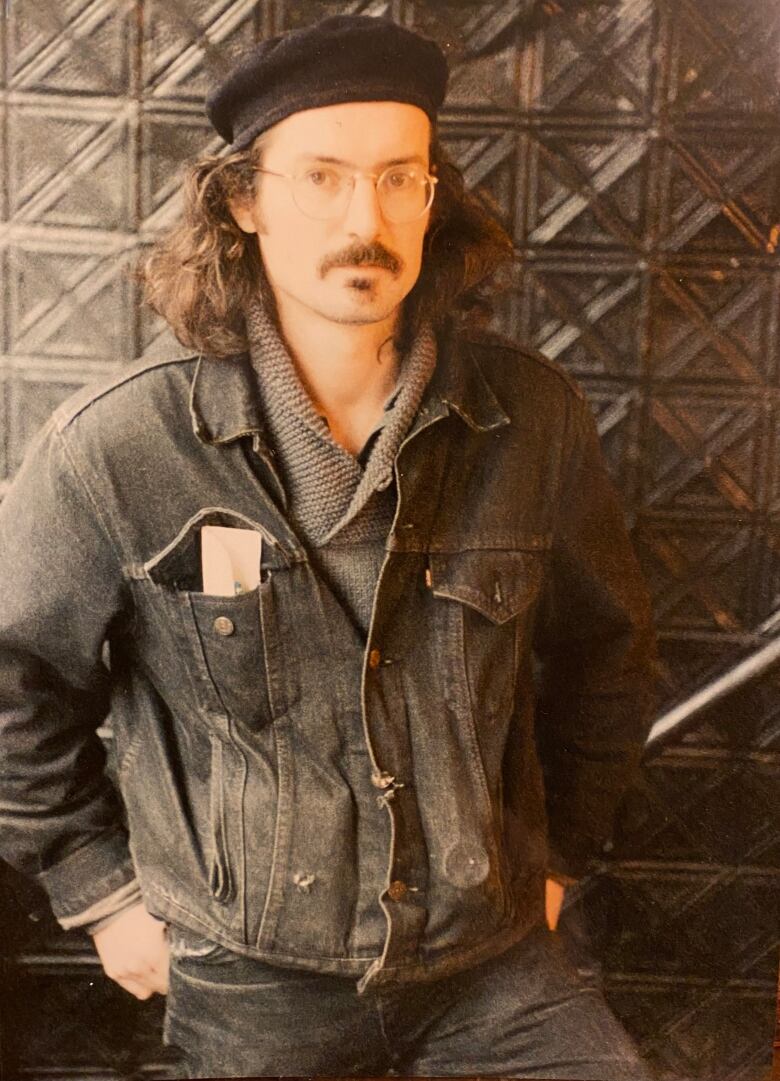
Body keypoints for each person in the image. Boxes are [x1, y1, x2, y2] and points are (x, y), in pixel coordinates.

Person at [0, 14, 658, 1080]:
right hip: (252, 976)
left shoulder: (533, 419)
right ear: (244, 201)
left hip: (493, 964)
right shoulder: (116, 449)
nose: (368, 217)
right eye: (324, 176)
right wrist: (100, 891)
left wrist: (560, 857)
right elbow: (12, 678)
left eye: (401, 178)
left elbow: (608, 655)